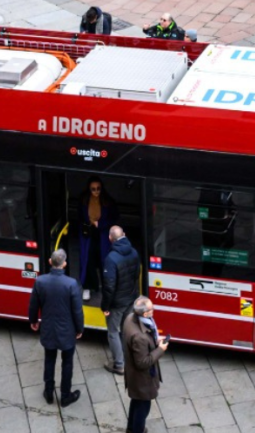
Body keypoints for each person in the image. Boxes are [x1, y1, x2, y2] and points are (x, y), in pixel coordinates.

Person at [29, 249, 83, 407]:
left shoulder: (40, 281)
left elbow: (33, 305)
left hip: (49, 328)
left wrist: (33, 320)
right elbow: (77, 310)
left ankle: (49, 392)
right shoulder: (71, 284)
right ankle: (65, 395)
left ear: (49, 262)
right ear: (64, 263)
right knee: (67, 362)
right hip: (67, 331)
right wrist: (79, 328)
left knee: (49, 359)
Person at [123, 296, 168, 433]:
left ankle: (131, 428)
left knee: (136, 401)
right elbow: (143, 363)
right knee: (143, 407)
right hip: (142, 379)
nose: (153, 310)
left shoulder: (130, 318)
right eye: (151, 308)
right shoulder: (139, 337)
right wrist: (160, 349)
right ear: (145, 313)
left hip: (133, 375)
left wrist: (154, 339)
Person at [102, 226, 141, 375]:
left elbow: (109, 286)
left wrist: (105, 306)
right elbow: (137, 273)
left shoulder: (111, 258)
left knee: (113, 331)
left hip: (117, 302)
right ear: (124, 235)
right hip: (131, 298)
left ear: (110, 238)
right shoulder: (134, 252)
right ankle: (128, 358)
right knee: (127, 329)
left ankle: (119, 364)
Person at [79, 176, 118, 301]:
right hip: (88, 236)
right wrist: (87, 225)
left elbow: (115, 218)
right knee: (88, 261)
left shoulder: (108, 202)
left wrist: (100, 224)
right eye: (93, 189)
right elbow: (79, 216)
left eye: (98, 189)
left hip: (103, 236)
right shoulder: (84, 200)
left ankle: (107, 287)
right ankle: (88, 287)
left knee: (104, 262)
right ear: (89, 190)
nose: (96, 191)